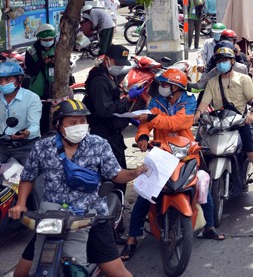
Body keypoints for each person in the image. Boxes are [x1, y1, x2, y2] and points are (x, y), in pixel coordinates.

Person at [10, 100, 147, 277]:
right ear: (59, 125)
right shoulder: (42, 147)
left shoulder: (98, 144)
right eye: (72, 123)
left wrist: (134, 173)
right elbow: (28, 176)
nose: (79, 126)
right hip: (52, 219)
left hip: (92, 217)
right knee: (20, 273)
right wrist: (20, 204)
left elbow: (115, 174)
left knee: (117, 272)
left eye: (82, 121)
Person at [121, 68, 225, 260]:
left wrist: (152, 119)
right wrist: (143, 135)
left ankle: (209, 225)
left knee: (202, 186)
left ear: (176, 88)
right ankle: (132, 238)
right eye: (161, 84)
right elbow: (146, 121)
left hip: (186, 153)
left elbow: (178, 123)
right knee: (145, 193)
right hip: (160, 153)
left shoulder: (189, 101)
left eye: (165, 84)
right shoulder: (156, 101)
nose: (162, 87)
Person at [197, 48, 253, 209]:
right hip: (218, 123)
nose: (221, 64)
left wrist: (252, 113)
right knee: (199, 153)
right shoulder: (212, 82)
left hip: (240, 122)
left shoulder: (244, 79)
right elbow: (204, 104)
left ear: (232, 61)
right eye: (218, 61)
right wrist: (196, 115)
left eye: (224, 60)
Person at [83, 44, 132, 194]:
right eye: (118, 63)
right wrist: (127, 99)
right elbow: (105, 110)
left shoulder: (109, 75)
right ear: (107, 59)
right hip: (103, 133)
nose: (120, 66)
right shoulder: (99, 79)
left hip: (113, 132)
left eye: (122, 63)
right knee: (112, 176)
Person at [0, 61, 42, 164]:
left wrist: (27, 133)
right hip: (2, 145)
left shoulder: (32, 98)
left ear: (19, 79)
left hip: (26, 146)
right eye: (0, 80)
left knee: (31, 174)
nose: (3, 84)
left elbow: (34, 125)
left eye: (7, 79)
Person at [24, 23, 57, 134]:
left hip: (56, 88)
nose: (48, 42)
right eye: (45, 40)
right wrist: (42, 62)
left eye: (50, 39)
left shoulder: (59, 48)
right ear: (39, 39)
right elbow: (30, 71)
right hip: (38, 90)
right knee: (40, 116)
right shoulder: (31, 51)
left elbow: (67, 64)